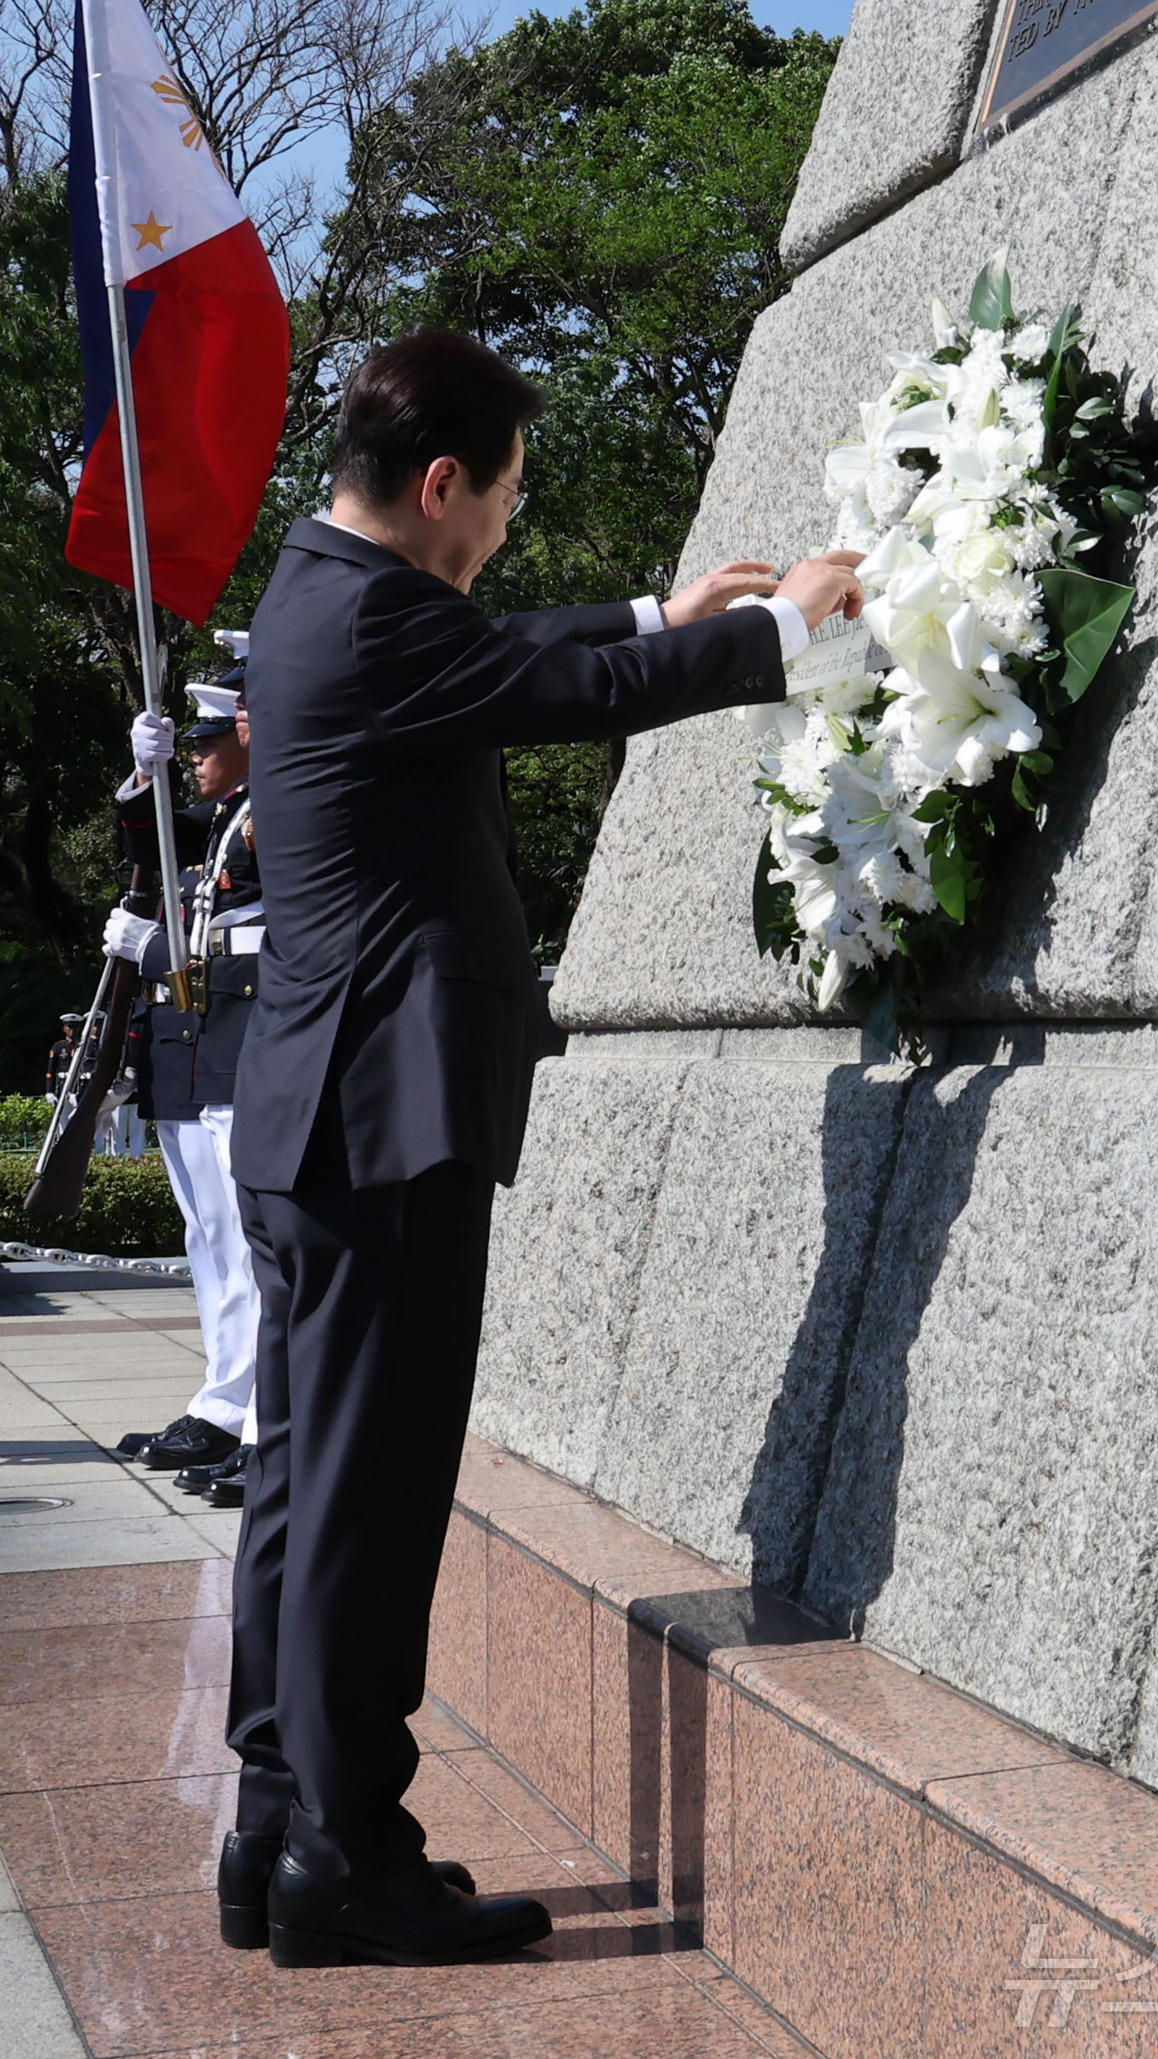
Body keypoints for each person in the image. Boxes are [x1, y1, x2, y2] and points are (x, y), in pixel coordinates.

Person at [225, 328, 863, 1969]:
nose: (507, 525)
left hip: (312, 1122)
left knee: (302, 1495)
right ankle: (349, 1856)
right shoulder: (375, 624)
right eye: (504, 496)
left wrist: (666, 608)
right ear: (441, 483)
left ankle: (274, 1820)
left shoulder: (321, 588)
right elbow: (559, 692)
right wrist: (790, 624)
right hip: (387, 1128)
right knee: (369, 1504)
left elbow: (501, 648)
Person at [104, 676, 262, 1495]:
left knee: (248, 1244)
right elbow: (154, 844)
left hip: (240, 1036)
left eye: (209, 739)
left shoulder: (272, 806)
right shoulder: (229, 817)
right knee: (211, 1240)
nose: (197, 753)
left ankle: (261, 1419)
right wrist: (143, 776)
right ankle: (224, 1403)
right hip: (198, 1047)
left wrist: (157, 953)